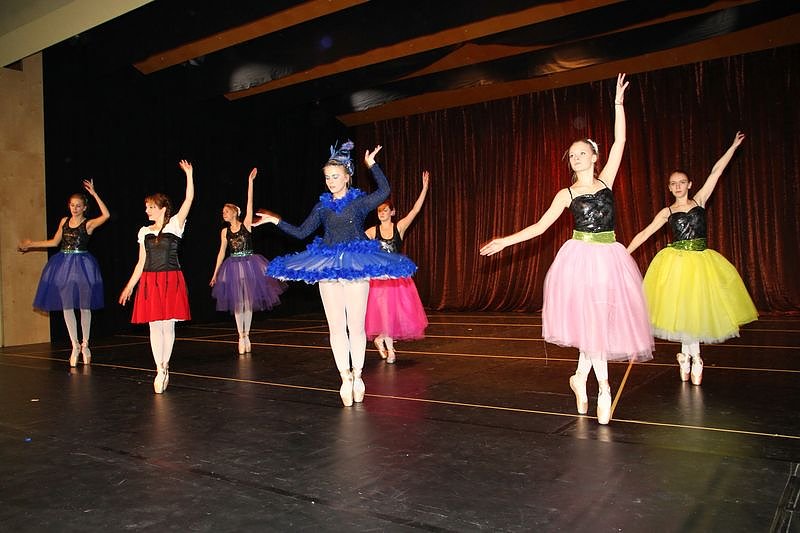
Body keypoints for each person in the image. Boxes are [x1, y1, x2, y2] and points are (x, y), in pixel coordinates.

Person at [480, 74, 652, 425]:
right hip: (580, 261)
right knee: (594, 326)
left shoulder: (607, 181)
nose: (576, 158)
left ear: (594, 156)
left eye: (581, 153)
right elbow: (539, 227)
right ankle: (603, 388)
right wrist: (505, 240)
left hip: (610, 259)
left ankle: (579, 377)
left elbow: (621, 140)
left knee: (598, 325)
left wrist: (618, 104)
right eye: (572, 155)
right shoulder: (566, 194)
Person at [260, 141, 416, 407]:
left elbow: (384, 190)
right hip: (328, 265)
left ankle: (358, 375)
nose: (331, 182)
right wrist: (275, 220)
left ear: (347, 177)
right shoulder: (322, 207)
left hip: (356, 265)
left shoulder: (359, 202)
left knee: (355, 326)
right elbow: (301, 232)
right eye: (327, 178)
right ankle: (344, 377)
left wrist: (372, 165)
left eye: (335, 176)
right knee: (336, 327)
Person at [627, 131, 757, 385]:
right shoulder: (667, 212)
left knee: (693, 311)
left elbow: (716, 172)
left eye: (682, 182)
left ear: (689, 184)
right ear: (669, 187)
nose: (678, 186)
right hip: (676, 264)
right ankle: (694, 358)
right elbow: (644, 233)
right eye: (673, 183)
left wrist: (732, 147)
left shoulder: (700, 201)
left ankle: (687, 356)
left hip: (700, 263)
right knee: (686, 311)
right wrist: (624, 252)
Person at [119, 160, 194, 394]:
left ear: (162, 208)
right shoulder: (143, 232)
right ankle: (159, 369)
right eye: (146, 207)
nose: (146, 211)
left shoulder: (175, 225)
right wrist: (129, 286)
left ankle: (165, 365)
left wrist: (189, 175)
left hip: (171, 279)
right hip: (150, 281)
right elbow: (140, 262)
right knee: (154, 326)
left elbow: (189, 200)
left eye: (150, 207)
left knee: (167, 325)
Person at [19, 180, 110, 366]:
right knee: (67, 306)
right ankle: (74, 345)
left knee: (84, 306)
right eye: (72, 205)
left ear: (84, 207)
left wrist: (94, 194)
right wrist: (31, 245)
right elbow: (54, 242)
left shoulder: (88, 224)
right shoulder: (64, 221)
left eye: (78, 206)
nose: (75, 208)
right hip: (64, 265)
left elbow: (106, 215)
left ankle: (85, 345)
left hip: (83, 266)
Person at [210, 167, 287, 354]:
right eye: (222, 212)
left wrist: (250, 182)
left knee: (248, 302)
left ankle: (247, 334)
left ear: (234, 212)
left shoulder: (246, 225)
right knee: (239, 302)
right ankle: (240, 335)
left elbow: (250, 202)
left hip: (250, 264)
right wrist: (215, 274)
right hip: (232, 266)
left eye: (226, 211)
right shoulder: (224, 232)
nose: (223, 214)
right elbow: (221, 253)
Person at [364, 171, 430, 363]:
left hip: (397, 278)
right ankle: (390, 349)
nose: (382, 213)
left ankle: (381, 339)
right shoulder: (371, 231)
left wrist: (424, 189)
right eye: (379, 211)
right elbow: (356, 243)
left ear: (392, 212)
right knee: (384, 313)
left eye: (385, 210)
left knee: (393, 314)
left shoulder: (399, 227)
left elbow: (415, 211)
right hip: (379, 278)